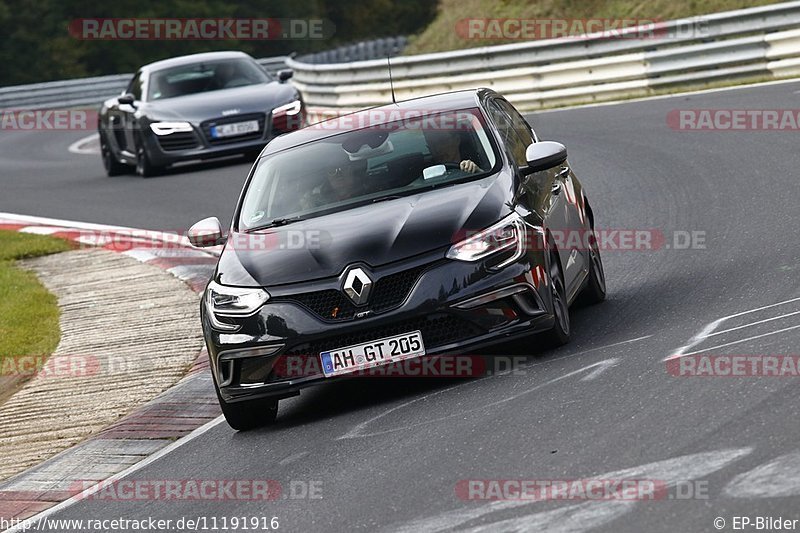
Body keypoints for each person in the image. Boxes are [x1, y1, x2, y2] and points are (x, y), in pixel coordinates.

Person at [299, 158, 369, 211]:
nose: (339, 174)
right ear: (327, 177)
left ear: (352, 171)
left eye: (343, 168)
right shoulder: (317, 201)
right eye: (332, 171)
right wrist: (308, 207)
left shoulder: (372, 192)